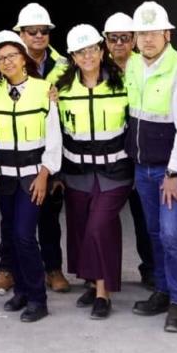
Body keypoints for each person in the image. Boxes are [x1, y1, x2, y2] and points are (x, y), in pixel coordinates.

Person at [124, 0, 177, 333]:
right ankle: (162, 289)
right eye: (143, 33)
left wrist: (172, 173)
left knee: (171, 234)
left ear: (167, 34)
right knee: (154, 231)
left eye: (155, 32)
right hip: (143, 169)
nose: (149, 39)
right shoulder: (131, 65)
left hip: (171, 171)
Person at [0, 3, 70, 295]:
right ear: (19, 35)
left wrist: (53, 168)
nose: (38, 35)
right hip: (12, 162)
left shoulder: (63, 65)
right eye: (31, 31)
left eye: (43, 31)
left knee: (49, 216)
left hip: (48, 153)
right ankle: (8, 270)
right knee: (12, 222)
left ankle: (52, 269)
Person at [0, 31, 62, 323]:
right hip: (4, 177)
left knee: (24, 235)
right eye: (1, 58)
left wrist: (45, 174)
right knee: (11, 233)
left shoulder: (44, 90)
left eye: (12, 56)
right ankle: (21, 291)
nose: (7, 62)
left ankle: (38, 298)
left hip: (32, 176)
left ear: (23, 58)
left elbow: (54, 138)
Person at [53, 24, 130, 320]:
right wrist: (56, 172)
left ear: (101, 50)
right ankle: (90, 279)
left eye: (92, 49)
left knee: (100, 226)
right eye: (80, 52)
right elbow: (55, 131)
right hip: (77, 171)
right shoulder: (61, 88)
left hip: (115, 171)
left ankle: (102, 292)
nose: (87, 56)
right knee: (82, 228)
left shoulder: (123, 83)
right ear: (72, 56)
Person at [105, 12, 155, 291]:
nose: (120, 43)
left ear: (134, 39)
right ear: (106, 41)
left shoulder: (145, 67)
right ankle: (103, 273)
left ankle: (150, 269)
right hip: (109, 156)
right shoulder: (97, 69)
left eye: (125, 38)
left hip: (138, 155)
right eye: (114, 39)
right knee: (105, 218)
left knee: (145, 218)